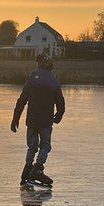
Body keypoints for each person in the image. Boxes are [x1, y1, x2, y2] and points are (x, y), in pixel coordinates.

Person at [10, 52, 65, 187]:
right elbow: (60, 101)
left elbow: (21, 101)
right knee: (45, 145)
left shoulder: (31, 80)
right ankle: (37, 170)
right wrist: (59, 115)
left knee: (32, 146)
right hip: (45, 121)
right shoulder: (53, 81)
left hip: (32, 120)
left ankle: (27, 170)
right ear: (50, 66)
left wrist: (15, 118)